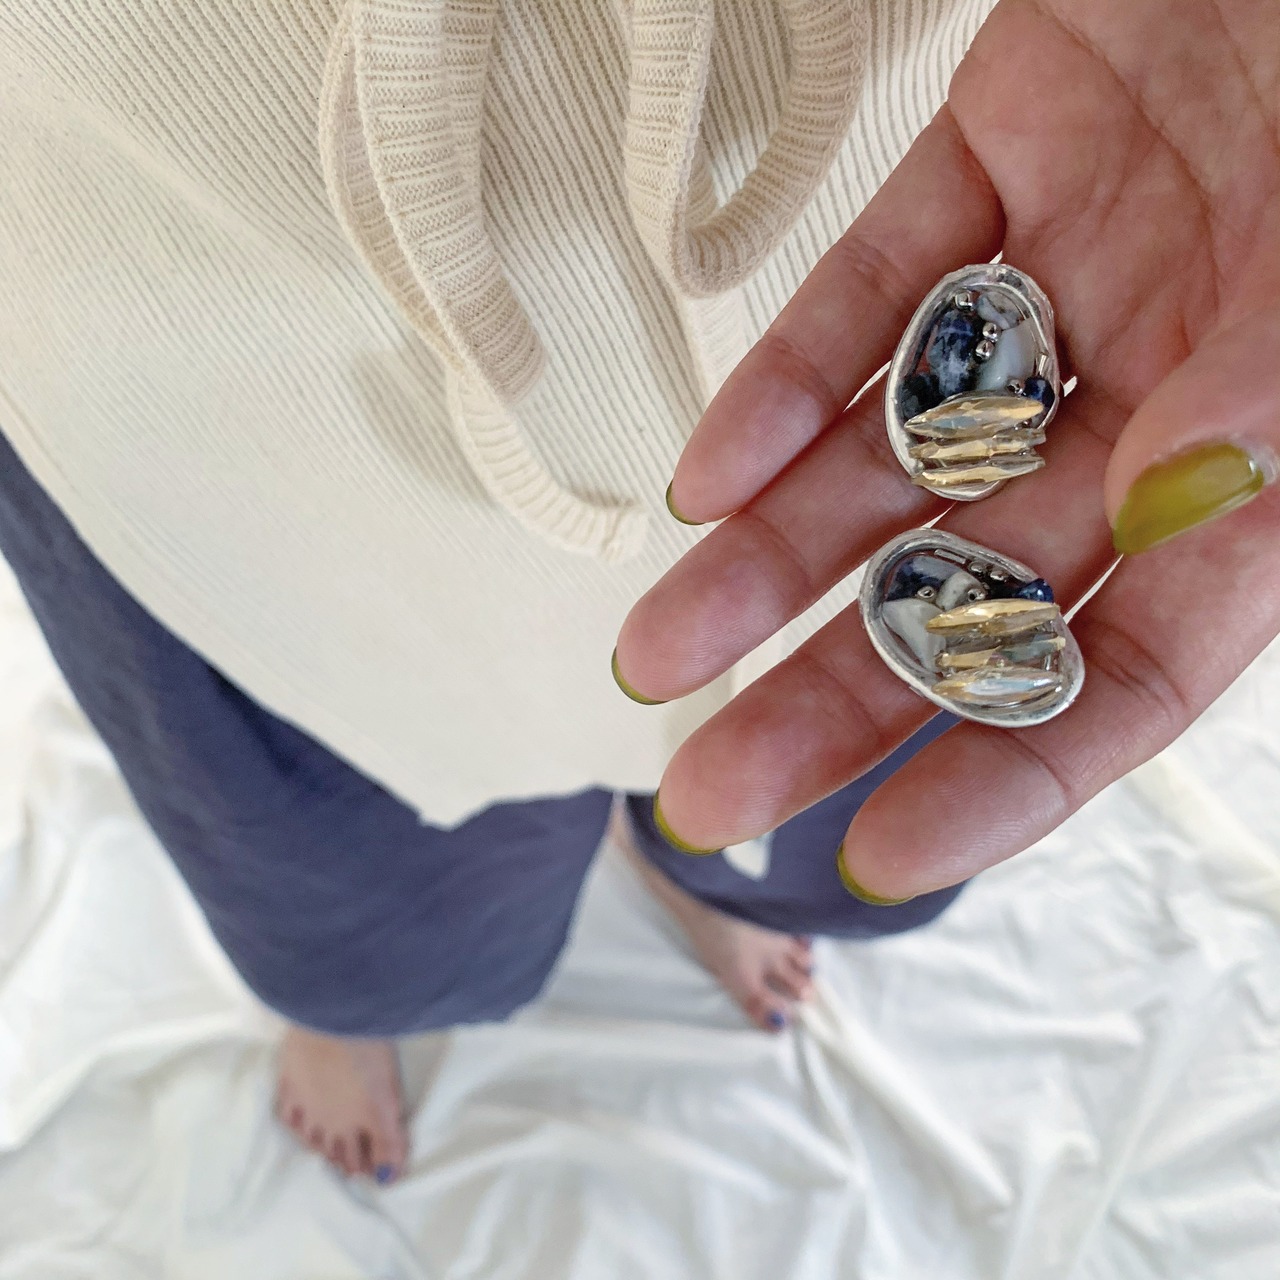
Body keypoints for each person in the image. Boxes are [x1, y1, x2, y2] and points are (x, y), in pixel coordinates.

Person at [0, 0, 1274, 1188]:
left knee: (811, 770)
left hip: (927, 172)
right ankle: (369, 996)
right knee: (355, 856)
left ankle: (695, 867)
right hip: (208, 291)